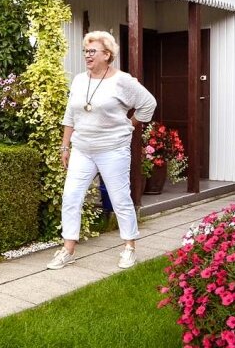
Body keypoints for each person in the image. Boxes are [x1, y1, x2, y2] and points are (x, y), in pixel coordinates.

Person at [47, 31, 156, 271]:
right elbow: (71, 114)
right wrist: (65, 145)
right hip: (82, 149)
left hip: (112, 149)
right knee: (71, 197)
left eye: (92, 51)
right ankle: (68, 249)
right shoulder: (78, 80)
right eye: (85, 51)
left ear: (107, 55)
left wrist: (130, 125)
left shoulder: (122, 81)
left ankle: (129, 247)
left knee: (120, 199)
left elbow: (148, 103)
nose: (87, 55)